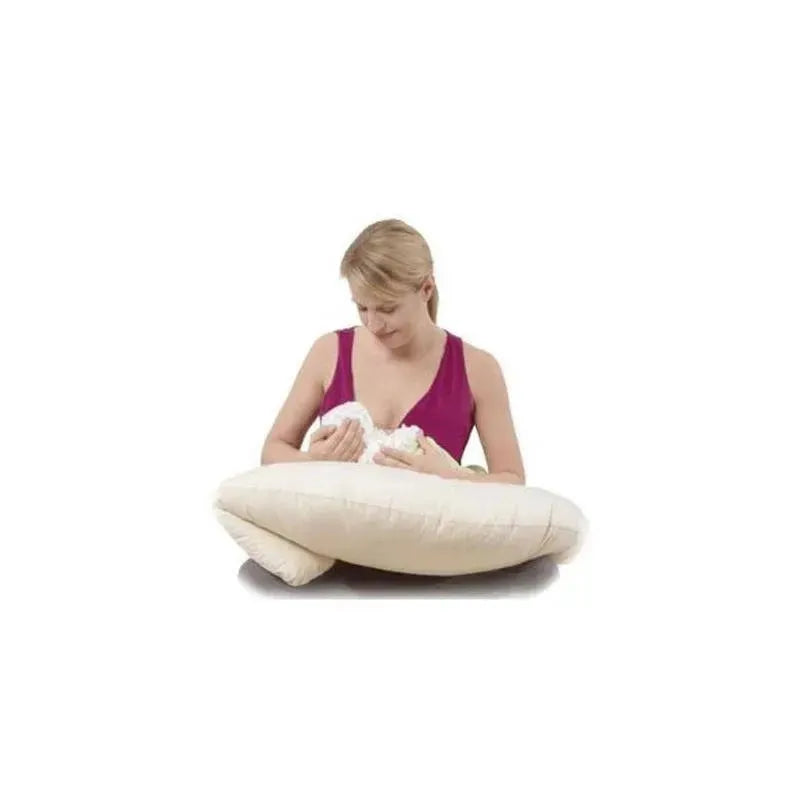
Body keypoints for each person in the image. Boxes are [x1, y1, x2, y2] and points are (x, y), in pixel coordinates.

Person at [260, 219, 526, 485]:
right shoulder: (328, 353)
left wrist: (450, 476)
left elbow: (513, 480)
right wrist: (313, 461)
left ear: (426, 289)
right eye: (362, 308)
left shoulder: (478, 370)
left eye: (387, 308)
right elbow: (273, 451)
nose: (373, 324)